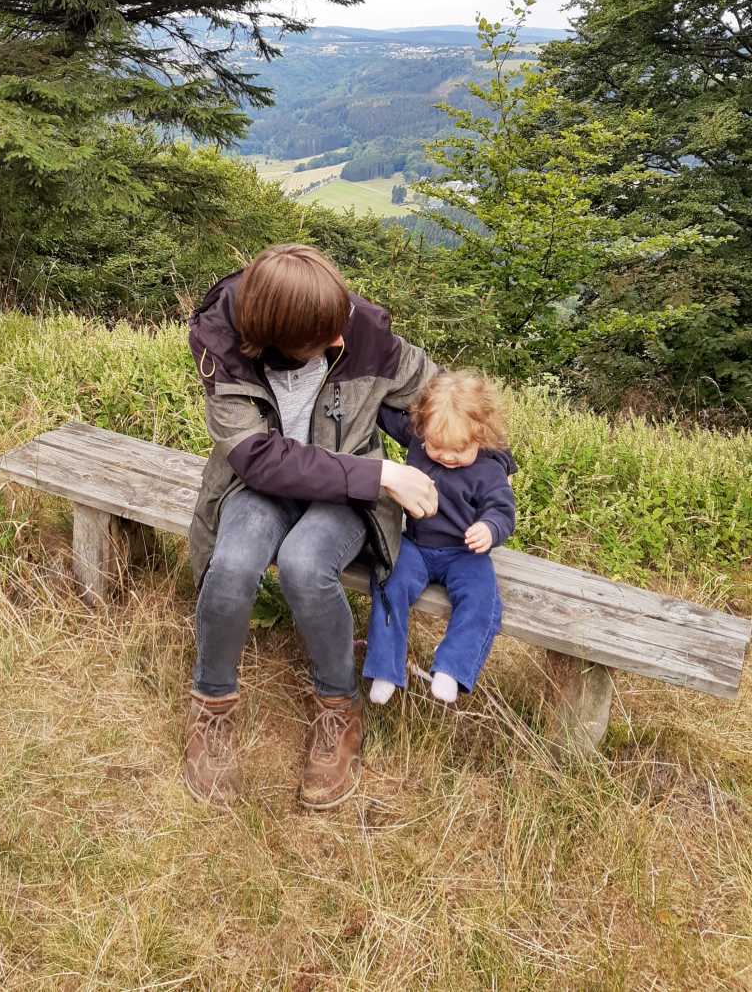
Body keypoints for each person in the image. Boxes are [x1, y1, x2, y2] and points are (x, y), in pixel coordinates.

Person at [184, 243, 440, 809]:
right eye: (323, 336)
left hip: (348, 497)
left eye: (339, 322)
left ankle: (337, 706)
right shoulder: (223, 346)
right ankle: (212, 705)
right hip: (263, 485)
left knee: (304, 565)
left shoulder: (356, 327)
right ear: (275, 334)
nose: (339, 341)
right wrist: (378, 474)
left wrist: (488, 470)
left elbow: (440, 398)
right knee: (232, 564)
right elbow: (257, 460)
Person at [363, 371, 516, 707]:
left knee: (482, 600)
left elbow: (503, 512)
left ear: (481, 436)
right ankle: (386, 669)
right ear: (422, 431)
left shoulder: (489, 470)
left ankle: (451, 667)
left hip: (465, 553)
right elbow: (381, 411)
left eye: (458, 450)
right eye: (435, 447)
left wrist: (489, 528)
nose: (446, 456)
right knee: (389, 581)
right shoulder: (420, 438)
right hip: (416, 545)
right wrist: (367, 390)